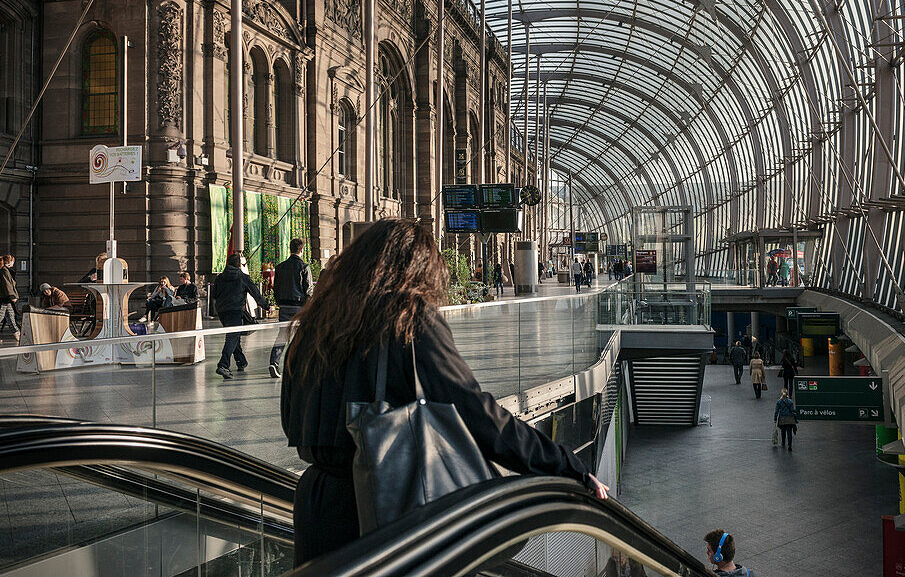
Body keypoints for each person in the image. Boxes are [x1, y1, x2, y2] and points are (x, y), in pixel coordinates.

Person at [280, 218, 609, 565]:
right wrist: (563, 465)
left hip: (315, 507)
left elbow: (292, 420)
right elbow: (475, 413)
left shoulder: (313, 325)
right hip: (385, 505)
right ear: (419, 270)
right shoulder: (408, 321)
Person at [212, 253, 270, 379]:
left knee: (234, 335)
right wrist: (266, 306)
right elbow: (256, 294)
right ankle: (223, 365)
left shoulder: (219, 278)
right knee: (232, 336)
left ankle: (241, 361)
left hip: (222, 311)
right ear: (239, 264)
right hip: (235, 310)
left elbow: (214, 295)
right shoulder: (243, 277)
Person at [269, 238, 314, 378]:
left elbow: (275, 287)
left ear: (290, 249)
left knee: (282, 334)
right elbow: (309, 290)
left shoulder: (280, 267)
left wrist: (279, 302)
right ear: (301, 250)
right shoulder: (304, 267)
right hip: (299, 306)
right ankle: (300, 364)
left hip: (284, 305)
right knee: (302, 335)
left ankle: (274, 362)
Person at [0, 255, 19, 339]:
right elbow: (7, 284)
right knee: (1, 316)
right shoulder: (4, 270)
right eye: (13, 261)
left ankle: (16, 333)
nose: (13, 263)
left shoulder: (5, 270)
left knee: (10, 316)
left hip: (5, 298)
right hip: (4, 298)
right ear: (10, 261)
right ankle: (16, 333)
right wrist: (12, 295)